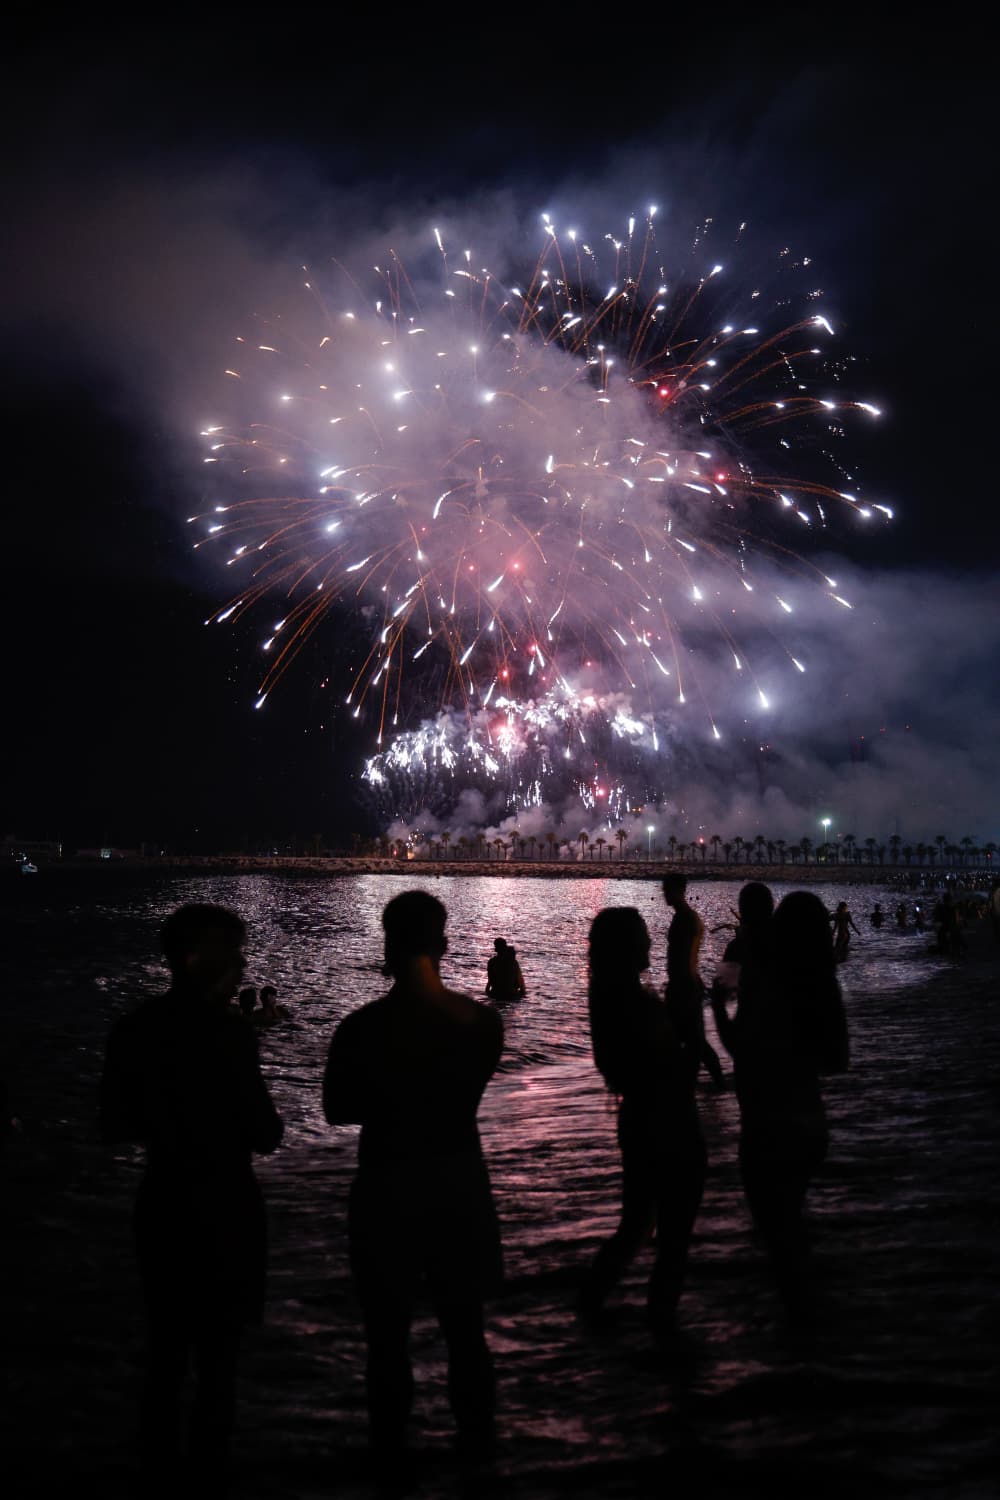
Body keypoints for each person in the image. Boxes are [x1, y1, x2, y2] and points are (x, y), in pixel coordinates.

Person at [100, 904, 283, 1492]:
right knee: (219, 1363)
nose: (242, 966)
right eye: (234, 954)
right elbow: (266, 1133)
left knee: (164, 1354)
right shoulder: (229, 1034)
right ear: (195, 958)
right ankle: (210, 1474)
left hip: (161, 1202)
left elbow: (112, 1126)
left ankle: (156, 1471)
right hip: (226, 1204)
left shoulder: (132, 1030)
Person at [322, 891, 504, 1474]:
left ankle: (390, 1463)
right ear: (444, 945)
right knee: (466, 1334)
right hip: (459, 1183)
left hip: (387, 1186)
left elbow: (336, 1110)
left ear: (387, 944)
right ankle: (479, 1460)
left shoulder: (359, 1029)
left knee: (386, 1340)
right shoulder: (482, 1025)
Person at [711, 891, 848, 1317]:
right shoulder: (822, 986)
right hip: (809, 1122)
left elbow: (738, 1044)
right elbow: (837, 1060)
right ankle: (809, 1324)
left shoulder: (765, 981)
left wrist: (718, 1010)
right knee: (790, 1226)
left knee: (776, 1234)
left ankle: (797, 1331)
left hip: (766, 1124)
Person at [580, 908, 705, 1340]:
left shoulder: (608, 997)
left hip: (639, 1121)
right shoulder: (633, 1004)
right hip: (669, 1124)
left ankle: (592, 1313)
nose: (652, 945)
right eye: (643, 938)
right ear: (628, 948)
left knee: (636, 1225)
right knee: (671, 1238)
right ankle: (661, 1328)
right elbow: (668, 1067)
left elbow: (618, 1068)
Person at [662, 873, 725, 1086]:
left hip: (684, 988)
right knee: (691, 1040)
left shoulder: (685, 919)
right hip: (686, 985)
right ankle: (711, 1084)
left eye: (667, 889)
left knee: (691, 1041)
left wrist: (682, 986)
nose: (663, 894)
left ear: (679, 891)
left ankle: (712, 1084)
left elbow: (684, 957)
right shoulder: (686, 917)